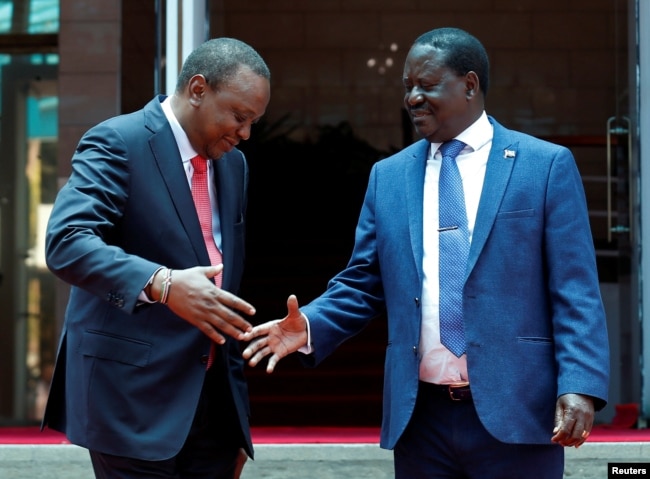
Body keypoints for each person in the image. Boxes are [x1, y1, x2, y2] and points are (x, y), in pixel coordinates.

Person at [242, 27, 609, 478]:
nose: (413, 97)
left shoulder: (544, 165)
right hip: (422, 422)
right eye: (407, 86)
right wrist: (312, 325)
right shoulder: (389, 176)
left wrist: (580, 384)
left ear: (470, 85)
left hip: (518, 412)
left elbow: (575, 288)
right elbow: (363, 282)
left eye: (427, 84)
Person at [42, 37, 270, 479]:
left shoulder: (234, 165)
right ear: (198, 89)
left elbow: (223, 292)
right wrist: (163, 284)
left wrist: (235, 424)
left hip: (211, 413)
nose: (245, 133)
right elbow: (67, 240)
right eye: (239, 116)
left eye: (253, 121)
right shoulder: (118, 141)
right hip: (130, 402)